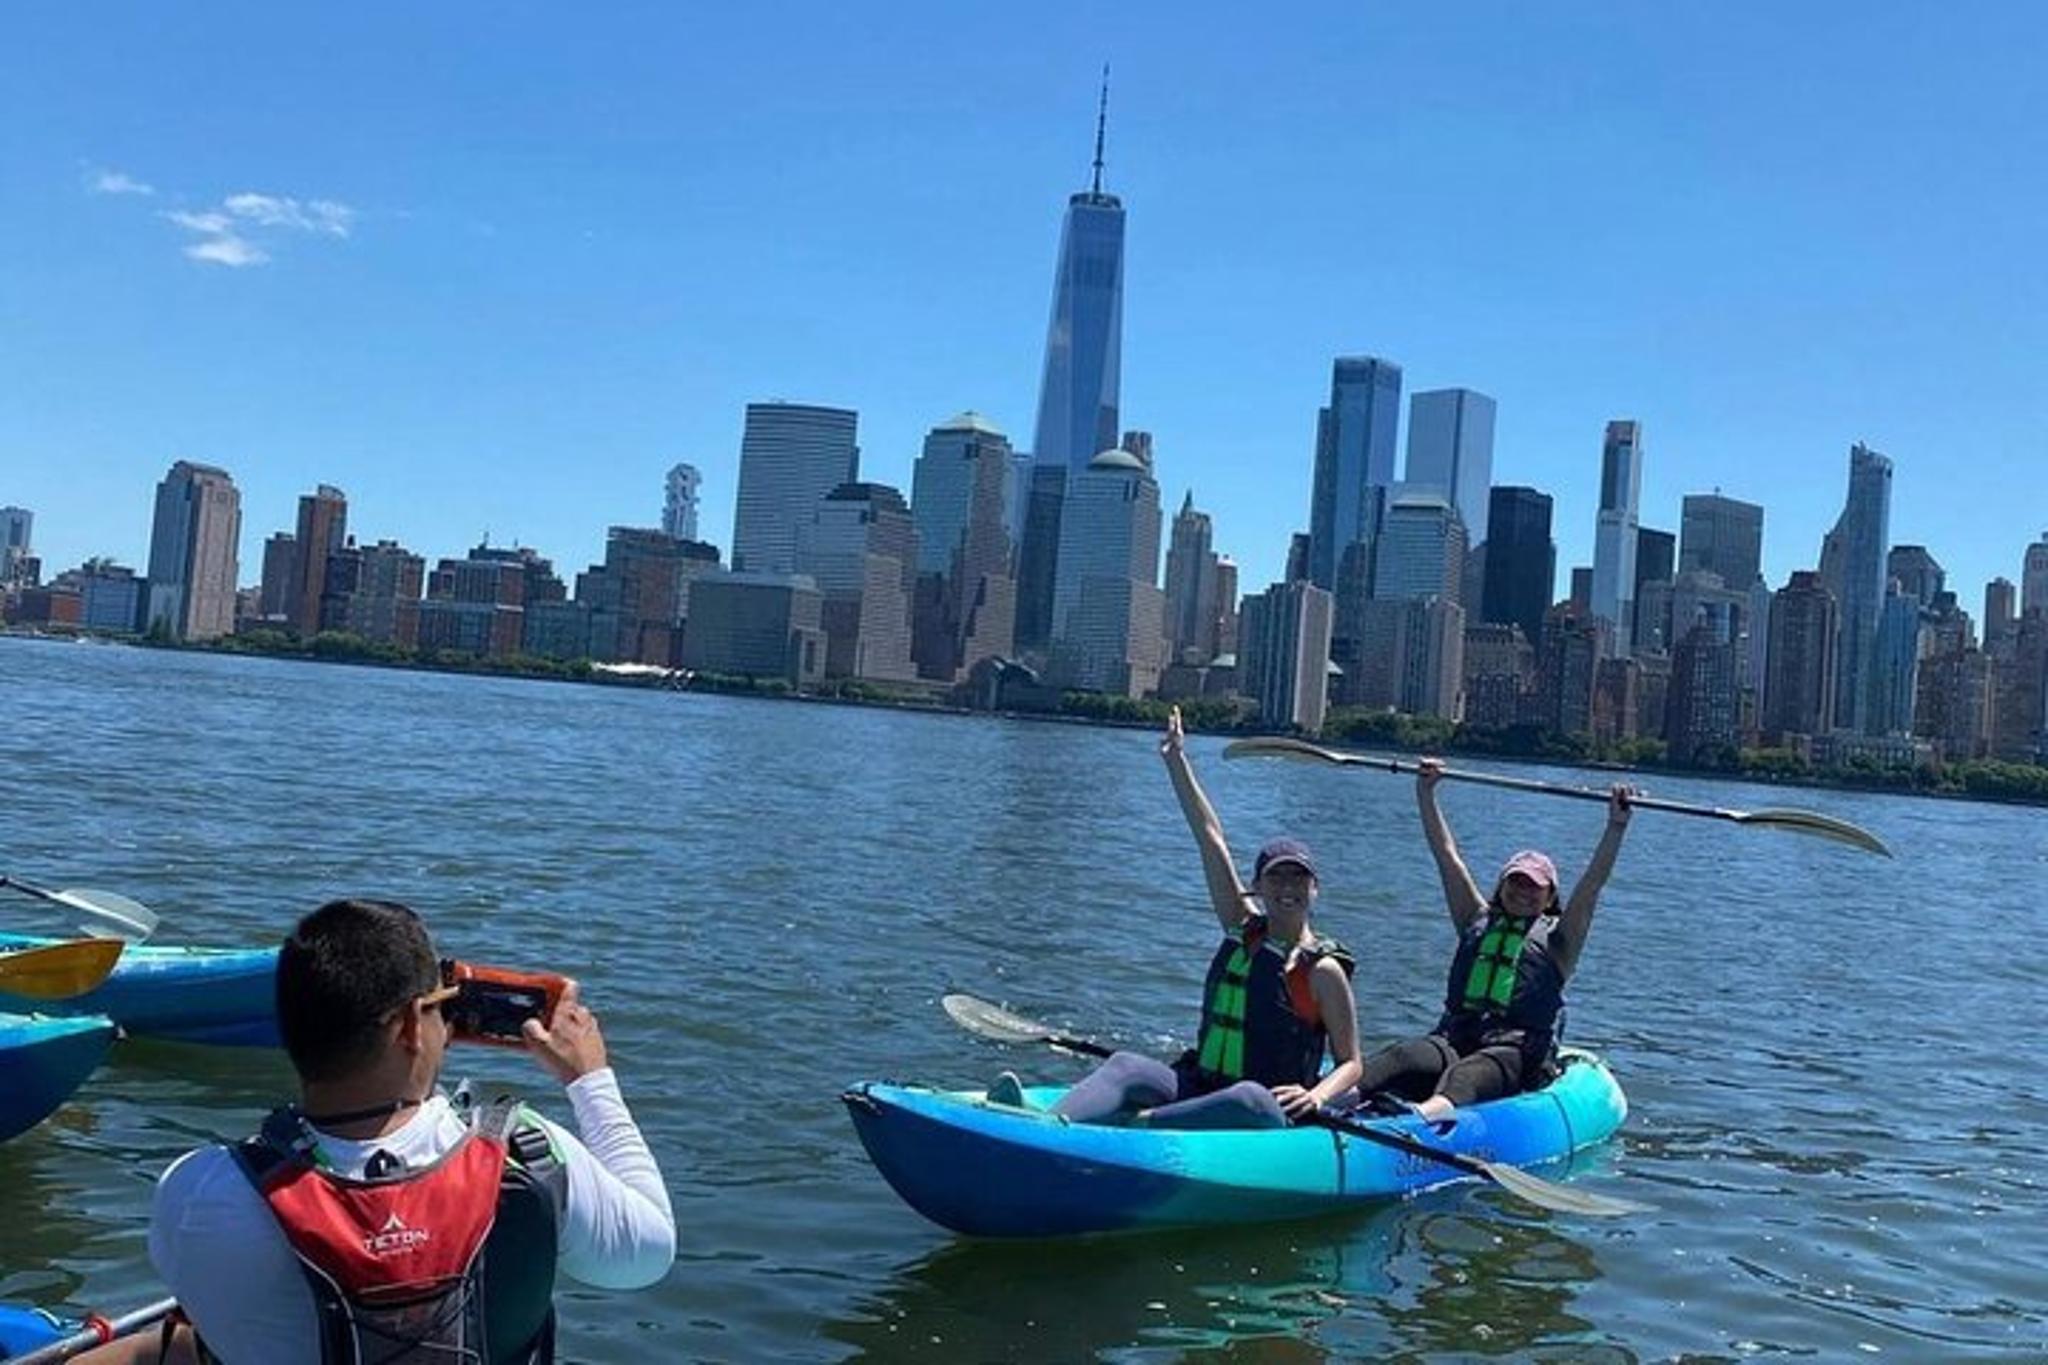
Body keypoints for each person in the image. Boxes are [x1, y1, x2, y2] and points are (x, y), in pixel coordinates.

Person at [129, 898, 675, 1365]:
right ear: (414, 1025)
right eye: (444, 1009)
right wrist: (590, 1080)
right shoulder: (526, 1152)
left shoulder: (202, 1189)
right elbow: (649, 1256)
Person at [990, 707, 1362, 1129]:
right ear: (1257, 887)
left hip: (1266, 1110)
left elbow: (1351, 1063)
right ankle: (1039, 1127)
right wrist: (1176, 762)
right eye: (1277, 878)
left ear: (1315, 888)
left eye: (1299, 878)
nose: (1288, 888)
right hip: (1201, 1085)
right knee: (1127, 1064)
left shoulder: (1323, 970)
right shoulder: (1242, 930)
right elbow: (1210, 835)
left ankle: (1133, 1125)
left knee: (1249, 1097)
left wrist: (1314, 1096)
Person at [1354, 757, 1633, 1123]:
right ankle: (1324, 1104)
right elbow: (1446, 856)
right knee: (1401, 1057)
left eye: (1534, 887)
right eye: (1515, 882)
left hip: (1513, 1052)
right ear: (1501, 886)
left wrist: (1615, 827)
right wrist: (1425, 792)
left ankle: (1415, 1124)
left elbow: (1592, 884)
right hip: (1455, 1037)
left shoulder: (1559, 941)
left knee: (1467, 1076)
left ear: (1550, 898)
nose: (1522, 892)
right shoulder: (1476, 919)